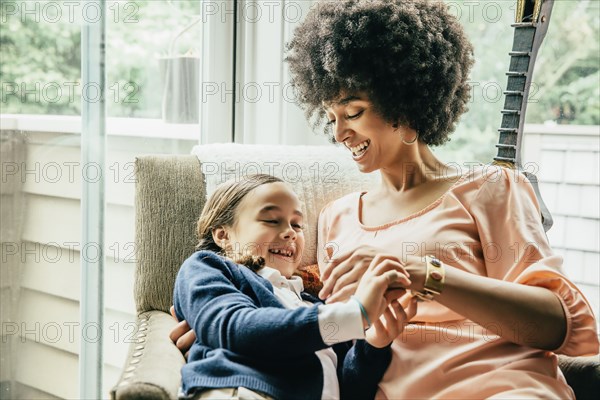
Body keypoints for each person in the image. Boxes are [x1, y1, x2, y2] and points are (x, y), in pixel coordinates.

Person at [172, 1, 599, 398]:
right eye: (332, 118)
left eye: (353, 113)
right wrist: (215, 323)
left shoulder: (490, 188)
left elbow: (558, 325)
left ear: (404, 100)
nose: (339, 134)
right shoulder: (336, 218)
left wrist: (424, 274)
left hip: (498, 386)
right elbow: (285, 297)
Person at [173, 174, 417, 400]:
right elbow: (234, 326)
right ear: (223, 235)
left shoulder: (314, 304)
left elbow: (347, 390)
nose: (290, 232)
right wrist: (355, 314)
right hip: (241, 390)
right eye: (271, 220)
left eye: (297, 225)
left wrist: (372, 346)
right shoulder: (210, 267)